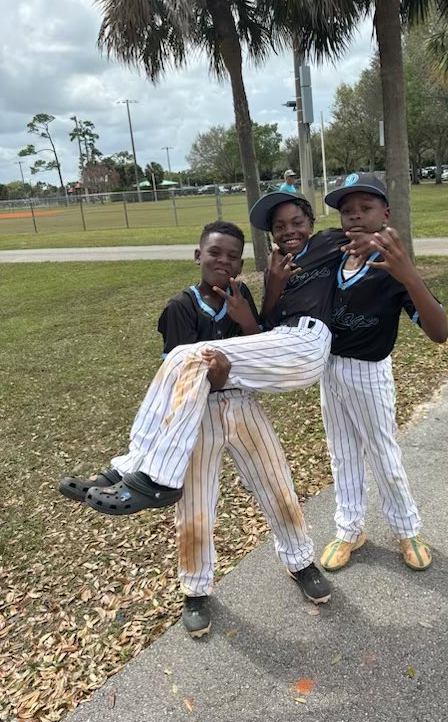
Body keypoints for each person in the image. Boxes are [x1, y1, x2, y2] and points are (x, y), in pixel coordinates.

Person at [59, 221, 332, 635]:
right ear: (198, 255)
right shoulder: (180, 306)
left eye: (232, 255)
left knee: (278, 487)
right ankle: (196, 589)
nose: (223, 261)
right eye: (215, 253)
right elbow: (180, 376)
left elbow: (257, 348)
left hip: (243, 407)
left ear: (240, 262)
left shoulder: (240, 295)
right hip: (196, 415)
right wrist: (219, 375)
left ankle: (300, 562)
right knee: (195, 508)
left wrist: (248, 317)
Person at [63, 193, 357, 523]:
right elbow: (267, 334)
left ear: (311, 223)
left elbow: (363, 227)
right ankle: (132, 468)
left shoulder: (326, 243)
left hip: (301, 345)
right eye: (279, 226)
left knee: (274, 486)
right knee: (180, 359)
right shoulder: (272, 266)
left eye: (297, 223)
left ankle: (152, 476)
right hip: (257, 363)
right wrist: (273, 286)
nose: (289, 231)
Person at [317, 173, 448, 573]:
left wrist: (408, 273)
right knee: (342, 454)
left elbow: (439, 332)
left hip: (368, 372)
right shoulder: (335, 255)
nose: (354, 216)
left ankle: (406, 528)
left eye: (365, 208)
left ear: (385, 213)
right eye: (346, 211)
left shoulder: (391, 268)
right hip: (330, 370)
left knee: (382, 454)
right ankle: (349, 528)